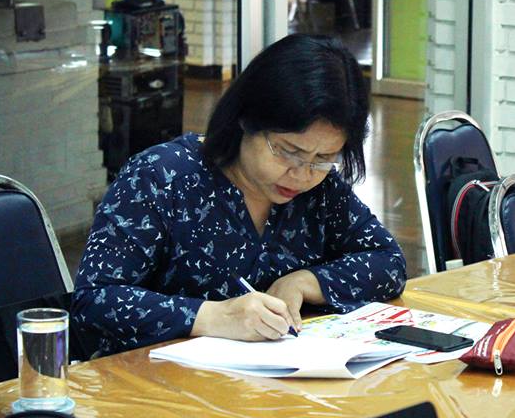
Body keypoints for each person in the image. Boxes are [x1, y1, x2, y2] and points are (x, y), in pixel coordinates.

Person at [72, 34, 406, 356]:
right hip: (151, 382)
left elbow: (388, 261)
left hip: (274, 382)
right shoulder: (162, 177)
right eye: (288, 151)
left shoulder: (320, 191)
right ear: (247, 119)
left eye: (323, 158)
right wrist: (214, 316)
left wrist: (305, 282)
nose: (303, 174)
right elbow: (94, 299)